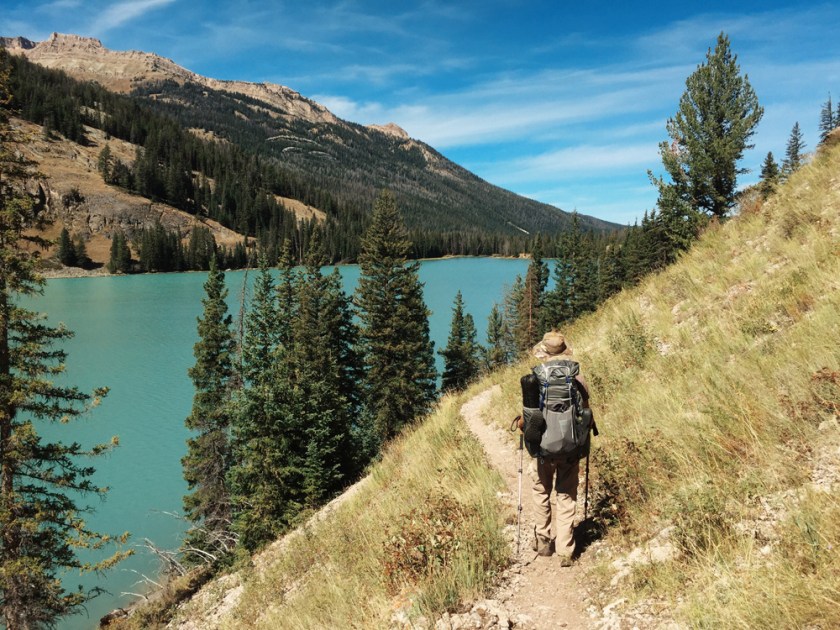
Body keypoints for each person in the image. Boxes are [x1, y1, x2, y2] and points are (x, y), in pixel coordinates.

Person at [523, 330, 590, 566]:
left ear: (544, 352)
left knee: (542, 490)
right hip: (570, 446)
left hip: (543, 447)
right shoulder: (576, 377)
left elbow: (530, 415)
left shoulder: (536, 378)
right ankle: (565, 549)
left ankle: (543, 540)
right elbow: (586, 410)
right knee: (566, 494)